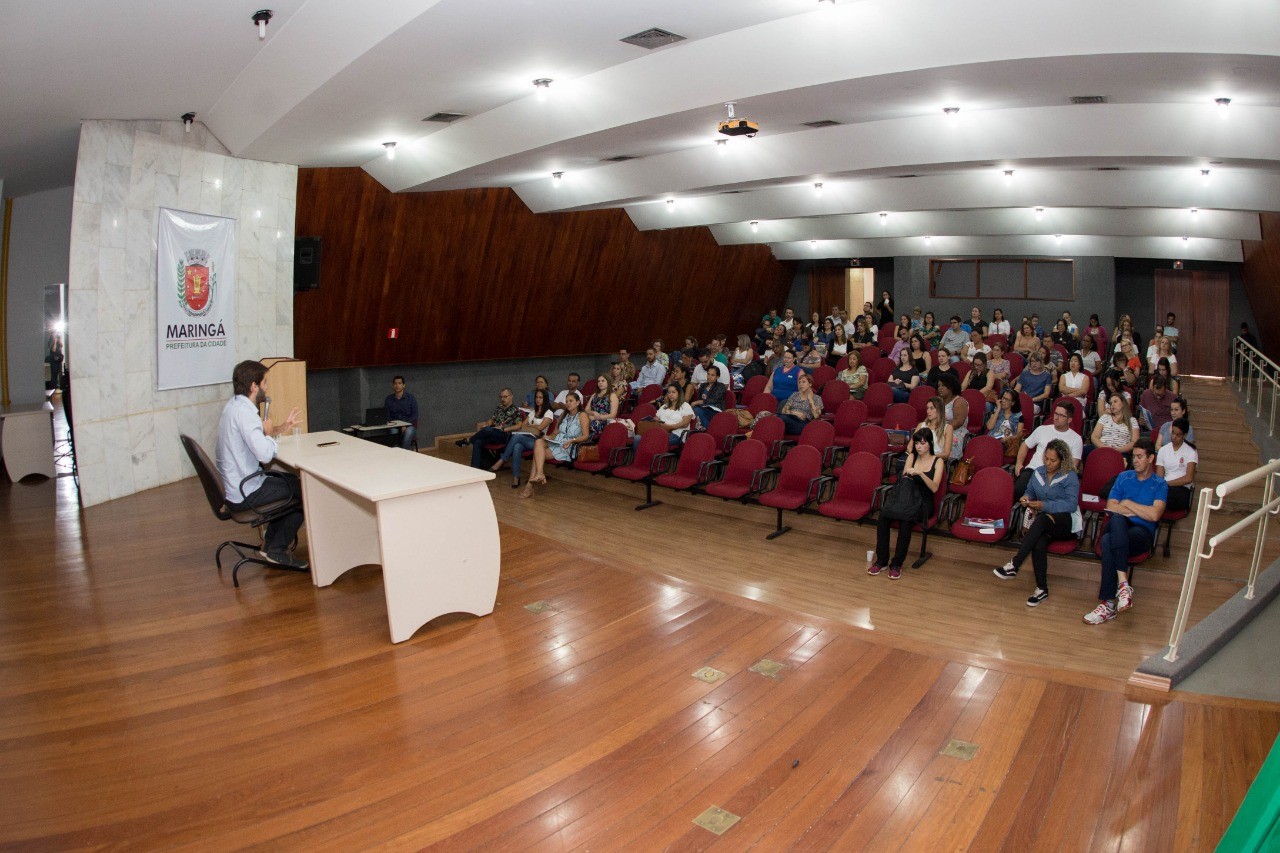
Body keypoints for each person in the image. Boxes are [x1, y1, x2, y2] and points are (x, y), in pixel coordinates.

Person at [216, 360, 305, 569]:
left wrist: (278, 428)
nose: (266, 388)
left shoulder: (233, 406)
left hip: (236, 487)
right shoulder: (246, 414)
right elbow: (265, 455)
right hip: (245, 492)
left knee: (291, 481)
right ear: (254, 386)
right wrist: (268, 434)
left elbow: (256, 440)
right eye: (265, 382)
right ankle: (276, 549)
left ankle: (270, 545)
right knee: (303, 492)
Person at [1085, 439, 1166, 624]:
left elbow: (1154, 516)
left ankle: (1108, 605)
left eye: (1139, 456)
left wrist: (1128, 504)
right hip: (1121, 527)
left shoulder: (1160, 484)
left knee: (1107, 542)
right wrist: (1139, 511)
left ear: (1151, 458)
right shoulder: (1123, 477)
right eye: (1133, 456)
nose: (1135, 460)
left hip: (1141, 534)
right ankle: (1123, 585)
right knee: (1118, 520)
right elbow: (1111, 506)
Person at [994, 438, 1082, 606]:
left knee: (1041, 519)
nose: (1048, 463)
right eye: (1046, 459)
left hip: (1067, 521)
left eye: (1053, 460)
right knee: (1039, 542)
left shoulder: (1069, 476)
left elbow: (1071, 504)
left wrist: (1044, 505)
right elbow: (1029, 491)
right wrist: (1026, 498)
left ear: (1062, 460)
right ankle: (1042, 589)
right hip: (1045, 522)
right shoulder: (1038, 473)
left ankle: (1015, 563)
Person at [869, 428, 945, 580]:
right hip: (906, 497)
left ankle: (897, 563)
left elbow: (935, 488)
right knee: (884, 516)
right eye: (916, 443)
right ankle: (882, 560)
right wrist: (908, 473)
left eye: (922, 443)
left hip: (924, 502)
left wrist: (921, 474)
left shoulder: (938, 461)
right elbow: (904, 481)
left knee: (906, 519)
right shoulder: (911, 457)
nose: (918, 446)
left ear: (929, 444)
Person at [522, 393, 590, 499]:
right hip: (557, 441)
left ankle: (530, 485)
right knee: (539, 442)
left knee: (538, 454)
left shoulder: (582, 415)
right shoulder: (563, 414)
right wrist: (548, 437)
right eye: (567, 401)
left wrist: (573, 440)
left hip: (570, 445)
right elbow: (555, 433)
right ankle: (539, 473)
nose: (568, 403)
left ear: (578, 402)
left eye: (571, 401)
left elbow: (586, 436)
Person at [1014, 399, 1083, 500]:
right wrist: (1018, 464)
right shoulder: (1042, 429)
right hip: (1033, 471)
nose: (1056, 417)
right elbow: (1025, 445)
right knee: (1017, 490)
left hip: (1056, 477)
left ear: (1069, 419)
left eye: (1061, 415)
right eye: (1055, 414)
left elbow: (1072, 466)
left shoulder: (1076, 439)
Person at [492, 388, 553, 488]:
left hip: (538, 442)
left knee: (517, 436)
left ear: (545, 399)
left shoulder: (548, 413)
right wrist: (531, 427)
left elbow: (540, 428)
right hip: (527, 438)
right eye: (536, 397)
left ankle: (503, 459)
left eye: (540, 397)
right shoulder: (533, 412)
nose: (538, 399)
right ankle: (516, 478)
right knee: (517, 446)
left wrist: (529, 427)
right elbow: (522, 426)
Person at [457, 388, 523, 468]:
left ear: (511, 396)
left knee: (488, 430)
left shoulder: (516, 410)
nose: (502, 399)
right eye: (501, 397)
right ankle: (475, 468)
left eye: (505, 397)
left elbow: (519, 425)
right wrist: (489, 423)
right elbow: (492, 419)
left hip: (505, 436)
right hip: (494, 433)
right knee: (478, 441)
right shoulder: (500, 408)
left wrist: (505, 429)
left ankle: (468, 440)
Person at [634, 384, 694, 451]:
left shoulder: (685, 406)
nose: (670, 394)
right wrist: (652, 420)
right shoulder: (664, 406)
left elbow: (685, 424)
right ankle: (638, 459)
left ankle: (649, 459)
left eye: (673, 392)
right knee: (637, 438)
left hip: (676, 434)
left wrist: (669, 427)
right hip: (660, 431)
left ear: (679, 393)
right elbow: (656, 418)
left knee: (653, 440)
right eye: (669, 392)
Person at [1156, 418, 1197, 512]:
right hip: (1164, 488)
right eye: (1172, 433)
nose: (1173, 437)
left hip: (1181, 490)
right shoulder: (1163, 450)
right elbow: (1159, 476)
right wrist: (1162, 485)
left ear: (1184, 435)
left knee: (1158, 498)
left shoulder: (1191, 451)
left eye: (1178, 435)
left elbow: (1188, 478)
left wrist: (1166, 484)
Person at [1089, 393, 1139, 459]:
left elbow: (1134, 442)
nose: (1112, 405)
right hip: (1102, 449)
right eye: (1111, 403)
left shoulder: (1132, 421)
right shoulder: (1105, 417)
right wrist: (1104, 447)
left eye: (1115, 401)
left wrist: (1119, 450)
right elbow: (1094, 436)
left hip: (1121, 452)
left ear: (1123, 403)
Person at [936, 372, 967, 459]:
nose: (940, 388)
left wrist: (941, 430)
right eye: (938, 386)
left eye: (943, 385)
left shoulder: (959, 401)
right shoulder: (938, 401)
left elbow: (958, 421)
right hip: (939, 430)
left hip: (955, 432)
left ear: (951, 386)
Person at [384, 375, 419, 450]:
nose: (397, 385)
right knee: (393, 433)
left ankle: (404, 455)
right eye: (395, 383)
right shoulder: (388, 399)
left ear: (404, 385)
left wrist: (405, 425)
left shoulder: (411, 398)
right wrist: (397, 426)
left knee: (408, 434)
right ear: (393, 385)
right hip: (394, 426)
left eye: (399, 383)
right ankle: (395, 456)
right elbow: (387, 416)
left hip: (409, 426)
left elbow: (415, 415)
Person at [585, 374, 619, 439]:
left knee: (587, 425)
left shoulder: (612, 396)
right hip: (592, 418)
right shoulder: (594, 395)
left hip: (604, 421)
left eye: (603, 381)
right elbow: (586, 409)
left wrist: (598, 417)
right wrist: (594, 413)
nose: (600, 383)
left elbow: (613, 415)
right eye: (599, 381)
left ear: (608, 382)